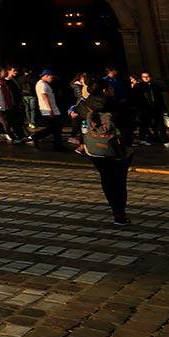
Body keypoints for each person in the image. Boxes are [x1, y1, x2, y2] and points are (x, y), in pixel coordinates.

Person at [70, 82, 134, 224]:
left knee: (106, 178)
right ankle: (120, 213)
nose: (113, 90)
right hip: (117, 148)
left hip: (94, 148)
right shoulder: (116, 105)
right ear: (104, 91)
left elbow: (77, 122)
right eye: (111, 88)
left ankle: (114, 209)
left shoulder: (84, 105)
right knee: (119, 181)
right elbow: (129, 123)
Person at [33, 69, 68, 150]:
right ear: (46, 76)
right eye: (51, 77)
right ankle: (36, 136)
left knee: (57, 128)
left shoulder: (45, 84)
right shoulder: (42, 84)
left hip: (52, 109)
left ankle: (58, 145)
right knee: (53, 128)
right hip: (48, 109)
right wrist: (50, 109)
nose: (52, 79)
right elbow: (44, 96)